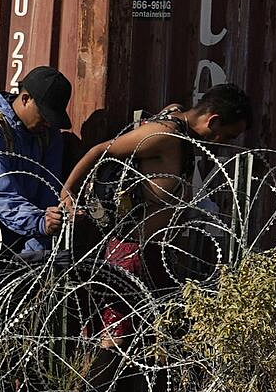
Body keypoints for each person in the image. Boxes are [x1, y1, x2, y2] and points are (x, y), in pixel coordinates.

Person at [61, 85, 252, 346]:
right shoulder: (165, 136)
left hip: (155, 252)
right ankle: (86, 388)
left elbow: (172, 107)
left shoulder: (181, 128)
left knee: (154, 337)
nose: (222, 144)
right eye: (226, 136)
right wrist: (68, 191)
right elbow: (100, 150)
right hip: (130, 253)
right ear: (213, 120)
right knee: (114, 340)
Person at [0, 66, 73, 264]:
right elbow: (0, 195)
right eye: (44, 115)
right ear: (25, 99)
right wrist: (41, 223)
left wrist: (35, 254)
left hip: (23, 244)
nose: (49, 123)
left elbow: (49, 194)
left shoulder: (48, 136)